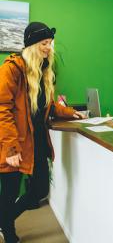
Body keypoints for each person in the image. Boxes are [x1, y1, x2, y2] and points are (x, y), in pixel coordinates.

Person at [0, 22, 85, 243]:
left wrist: (71, 112)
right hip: (13, 142)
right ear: (31, 45)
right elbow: (2, 109)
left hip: (35, 140)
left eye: (50, 43)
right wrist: (10, 148)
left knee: (39, 190)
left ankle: (2, 219)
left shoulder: (43, 71)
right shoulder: (11, 69)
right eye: (44, 43)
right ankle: (8, 232)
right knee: (9, 193)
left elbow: (49, 106)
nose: (48, 47)